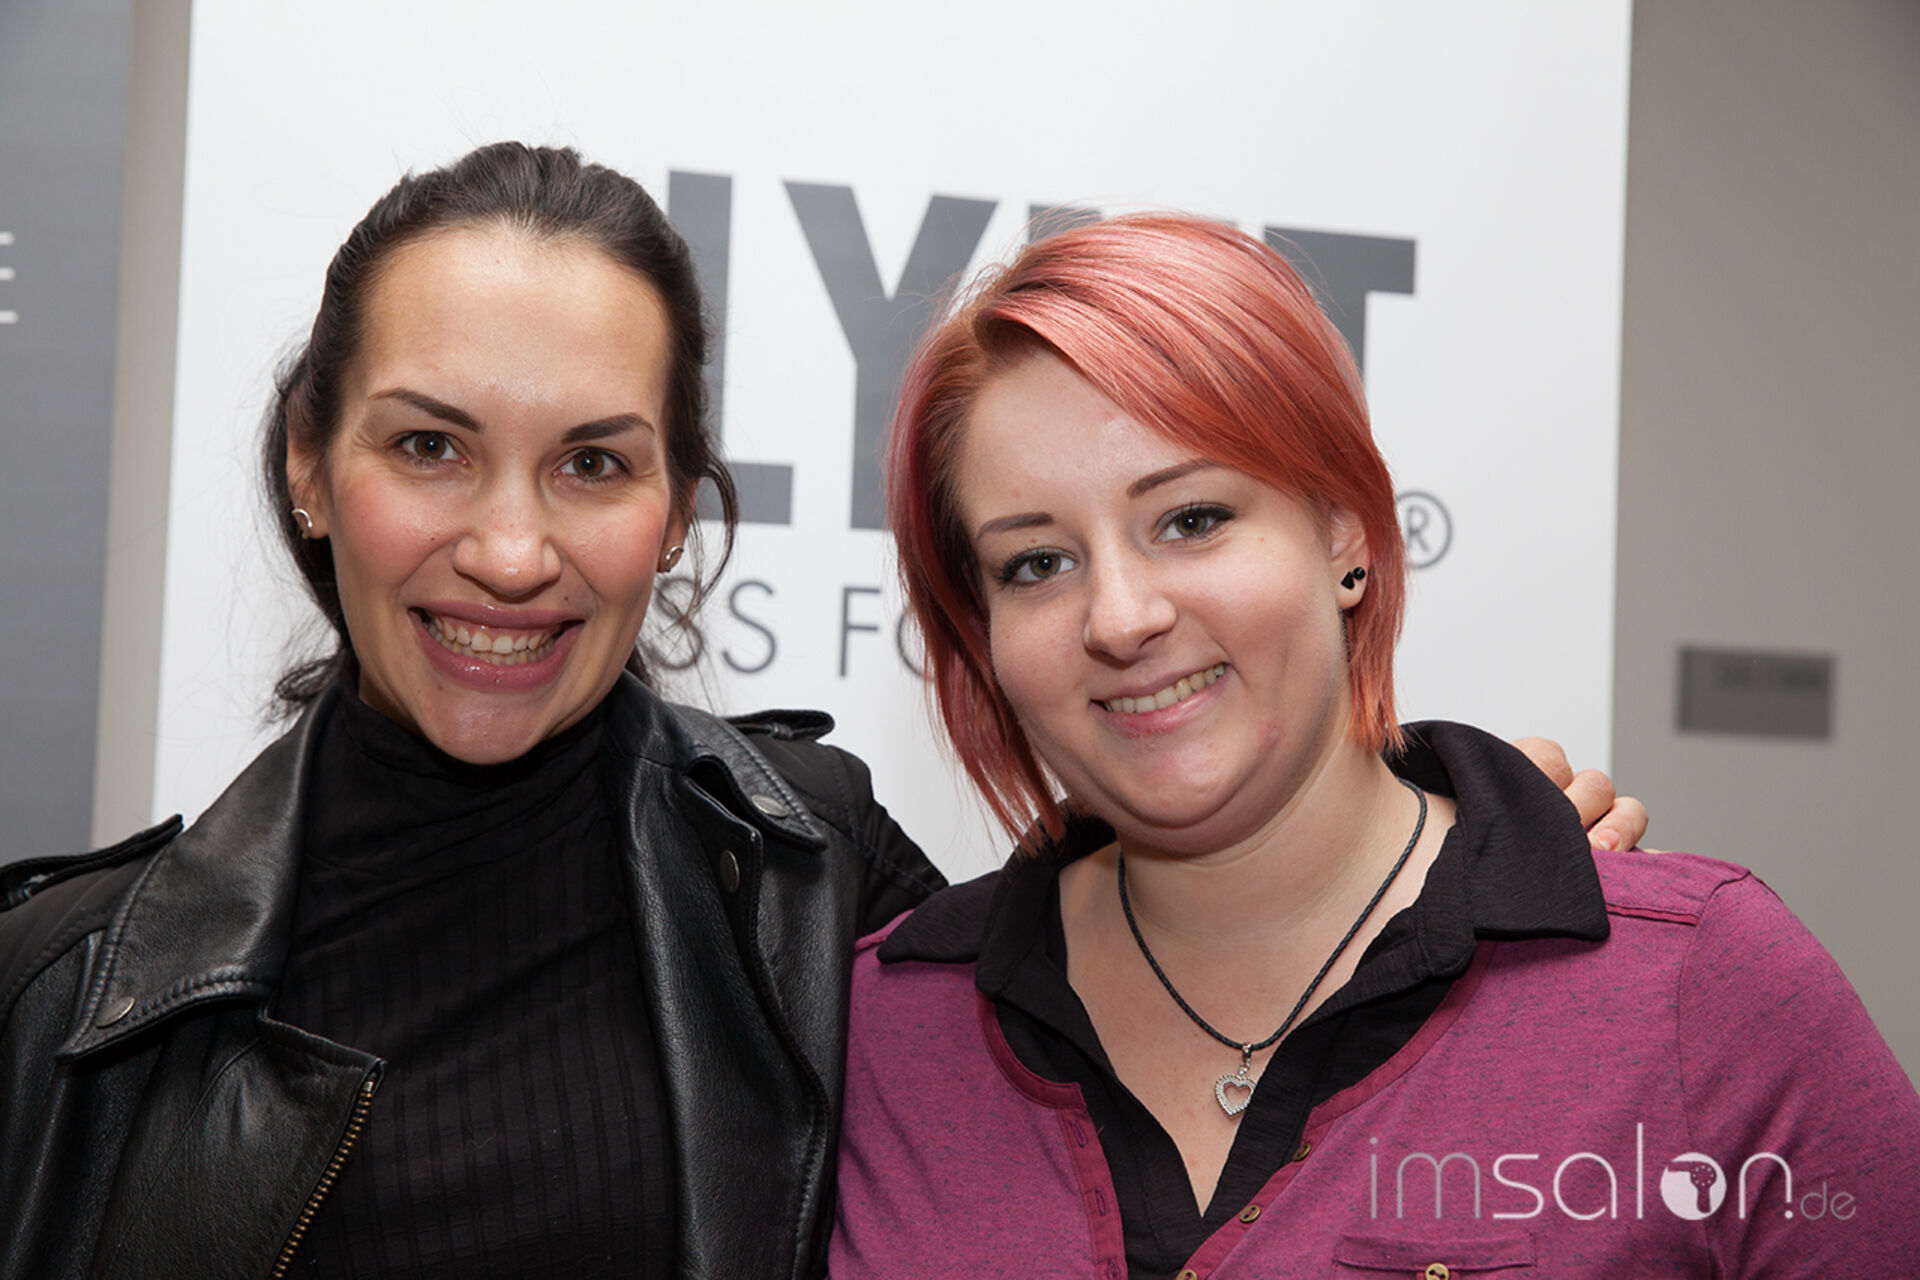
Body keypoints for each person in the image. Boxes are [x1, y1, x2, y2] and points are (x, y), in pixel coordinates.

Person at [0, 147, 1643, 1280]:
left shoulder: (800, 869)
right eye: (429, 447)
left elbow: (1163, 915)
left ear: (676, 506)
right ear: (311, 460)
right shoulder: (62, 994)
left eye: (593, 463)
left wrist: (1448, 839)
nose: (508, 550)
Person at [831, 214, 1920, 1277]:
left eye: (1192, 518)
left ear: (1345, 531)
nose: (1120, 618)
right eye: (1036, 564)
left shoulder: (1699, 986)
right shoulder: (878, 1024)